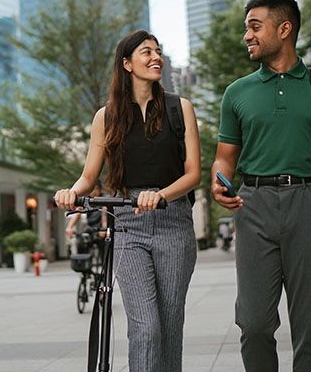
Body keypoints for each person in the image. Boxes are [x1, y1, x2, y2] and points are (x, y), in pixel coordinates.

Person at [210, 0, 311, 372]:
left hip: (310, 202)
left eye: (254, 26)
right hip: (253, 205)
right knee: (254, 323)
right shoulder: (237, 93)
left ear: (285, 29)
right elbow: (225, 158)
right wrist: (220, 184)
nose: (246, 35)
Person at [54, 29, 201, 372]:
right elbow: (89, 177)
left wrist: (161, 195)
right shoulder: (106, 117)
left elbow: (193, 173)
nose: (156, 58)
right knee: (145, 327)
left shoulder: (180, 109)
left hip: (173, 219)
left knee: (169, 325)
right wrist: (72, 192)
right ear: (127, 64)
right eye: (146, 52)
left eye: (158, 51)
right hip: (128, 224)